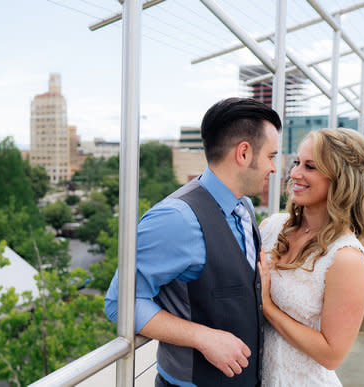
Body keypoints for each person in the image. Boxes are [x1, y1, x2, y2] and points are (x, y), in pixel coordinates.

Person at [105, 97, 281, 386]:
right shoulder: (176, 219)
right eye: (271, 156)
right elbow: (119, 302)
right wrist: (202, 337)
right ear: (244, 153)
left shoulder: (245, 207)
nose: (274, 168)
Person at [257, 128, 364, 386]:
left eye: (310, 167)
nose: (295, 174)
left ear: (340, 178)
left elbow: (331, 355)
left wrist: (267, 307)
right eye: (297, 163)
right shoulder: (271, 228)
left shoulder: (346, 258)